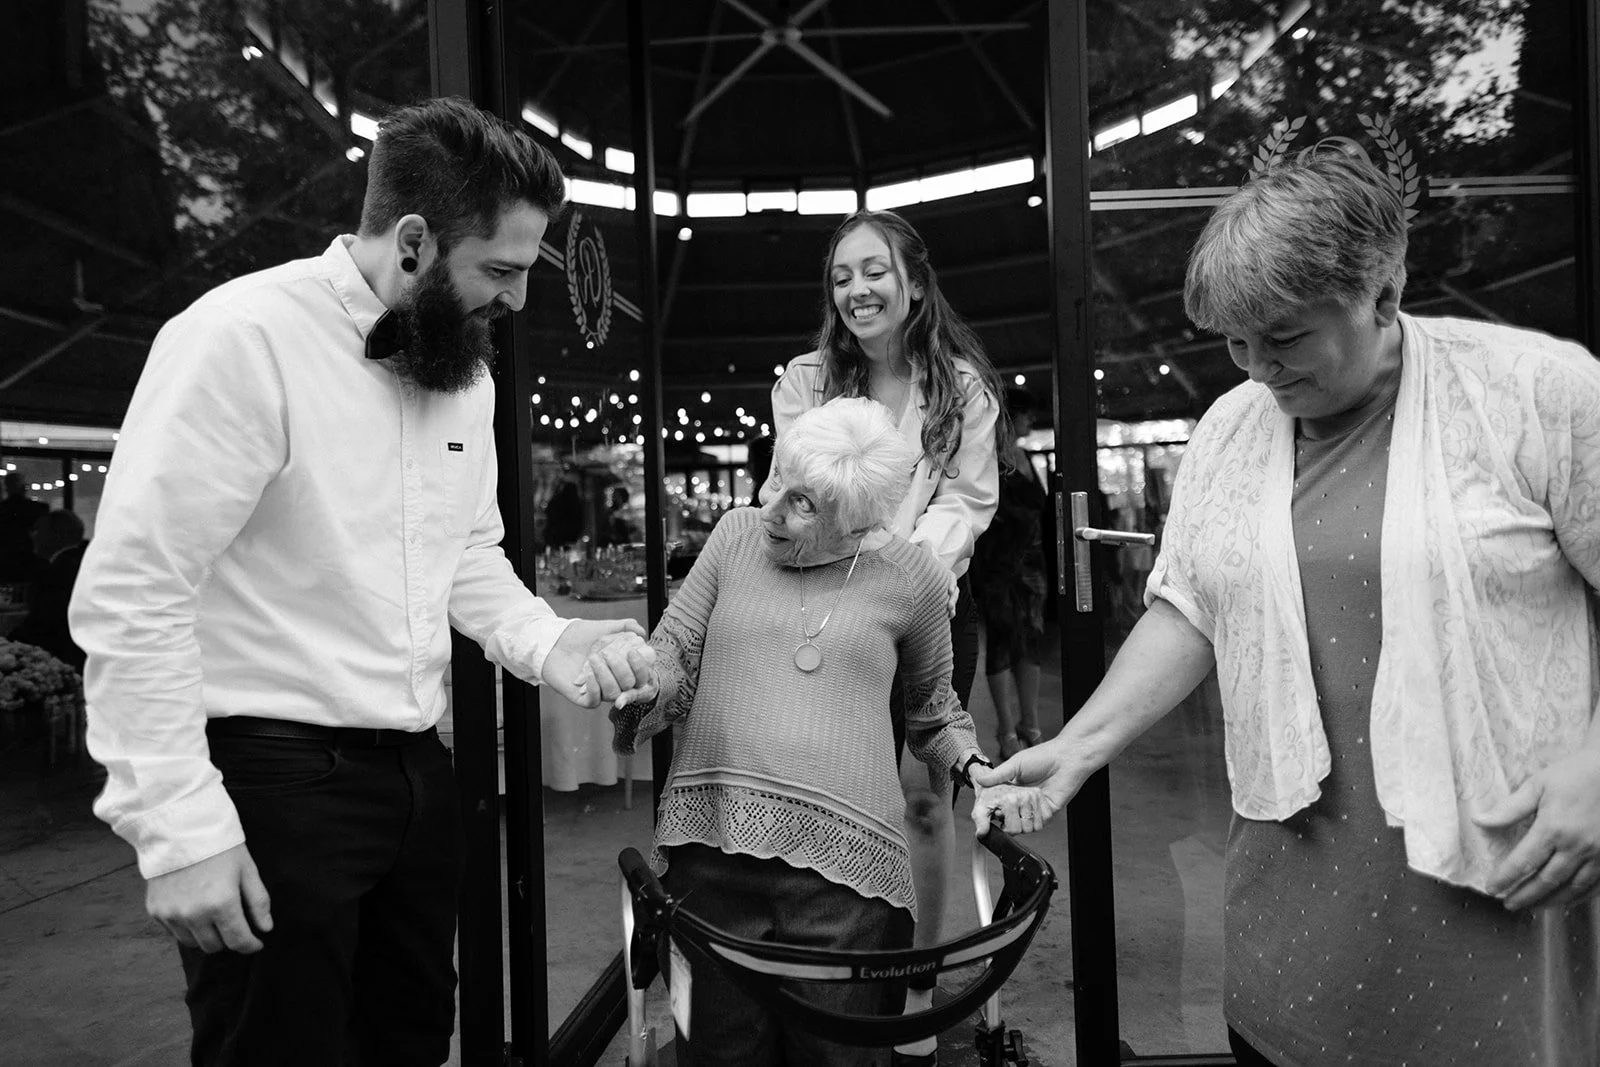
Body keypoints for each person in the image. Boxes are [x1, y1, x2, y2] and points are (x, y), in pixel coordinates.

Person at [973, 151, 1600, 1066]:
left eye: (1286, 337)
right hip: (1296, 898)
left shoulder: (1536, 393)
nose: (1259, 367)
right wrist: (1077, 747)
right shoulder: (1234, 426)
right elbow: (1190, 606)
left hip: (1497, 896)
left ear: (1384, 297)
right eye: (1234, 340)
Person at [68, 98, 654, 1067]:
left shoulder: (464, 373)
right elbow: (136, 589)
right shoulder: (240, 336)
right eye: (501, 271)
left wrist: (556, 642)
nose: (514, 301)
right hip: (271, 777)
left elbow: (468, 556)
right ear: (415, 241)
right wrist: (176, 825)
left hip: (419, 773)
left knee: (411, 1039)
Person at [612, 397, 991, 1067]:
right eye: (775, 478)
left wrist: (973, 767)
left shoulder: (913, 578)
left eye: (804, 503)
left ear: (858, 522)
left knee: (836, 1059)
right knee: (715, 1055)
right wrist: (647, 682)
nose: (771, 509)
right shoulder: (733, 538)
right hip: (710, 859)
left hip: (847, 887)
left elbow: (932, 709)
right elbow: (675, 653)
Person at [770, 209, 1002, 1066]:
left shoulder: (962, 390)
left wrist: (902, 569)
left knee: (919, 798)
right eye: (841, 277)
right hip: (830, 610)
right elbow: (794, 493)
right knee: (836, 789)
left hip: (933, 608)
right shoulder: (805, 383)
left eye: (873, 271)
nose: (857, 290)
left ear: (912, 280)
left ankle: (916, 977)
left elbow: (969, 502)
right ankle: (838, 963)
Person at [969, 387, 1047, 759]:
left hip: (1030, 563)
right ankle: (1005, 728)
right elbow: (986, 510)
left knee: (1029, 639)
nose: (1031, 421)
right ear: (1010, 418)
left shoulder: (1025, 456)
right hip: (997, 563)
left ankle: (1029, 723)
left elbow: (1040, 510)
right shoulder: (989, 459)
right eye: (1027, 415)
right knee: (1002, 640)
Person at [11, 508, 88, 669]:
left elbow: (40, 626)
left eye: (37, 530)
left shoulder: (54, 574)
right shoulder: (85, 564)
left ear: (56, 535)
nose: (32, 536)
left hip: (63, 660)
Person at [0, 471, 49, 582]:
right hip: (31, 559)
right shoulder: (39, 509)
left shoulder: (2, 510)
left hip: (5, 561)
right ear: (24, 488)